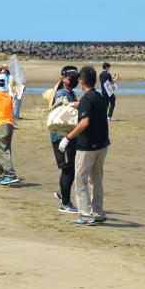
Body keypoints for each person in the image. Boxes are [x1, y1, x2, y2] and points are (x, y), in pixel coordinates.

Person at [59, 66, 110, 226]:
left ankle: (86, 215)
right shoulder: (98, 96)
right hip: (102, 145)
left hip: (87, 147)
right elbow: (91, 110)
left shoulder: (88, 99)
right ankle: (98, 212)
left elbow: (84, 122)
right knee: (96, 180)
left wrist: (67, 137)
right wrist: (78, 105)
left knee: (80, 180)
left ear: (82, 81)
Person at [50, 66, 80, 214]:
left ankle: (63, 193)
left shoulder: (71, 92)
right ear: (63, 78)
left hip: (69, 135)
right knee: (67, 169)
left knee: (71, 168)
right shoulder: (61, 93)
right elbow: (61, 115)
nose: (74, 80)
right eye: (71, 78)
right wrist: (72, 106)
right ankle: (65, 203)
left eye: (75, 77)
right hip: (61, 136)